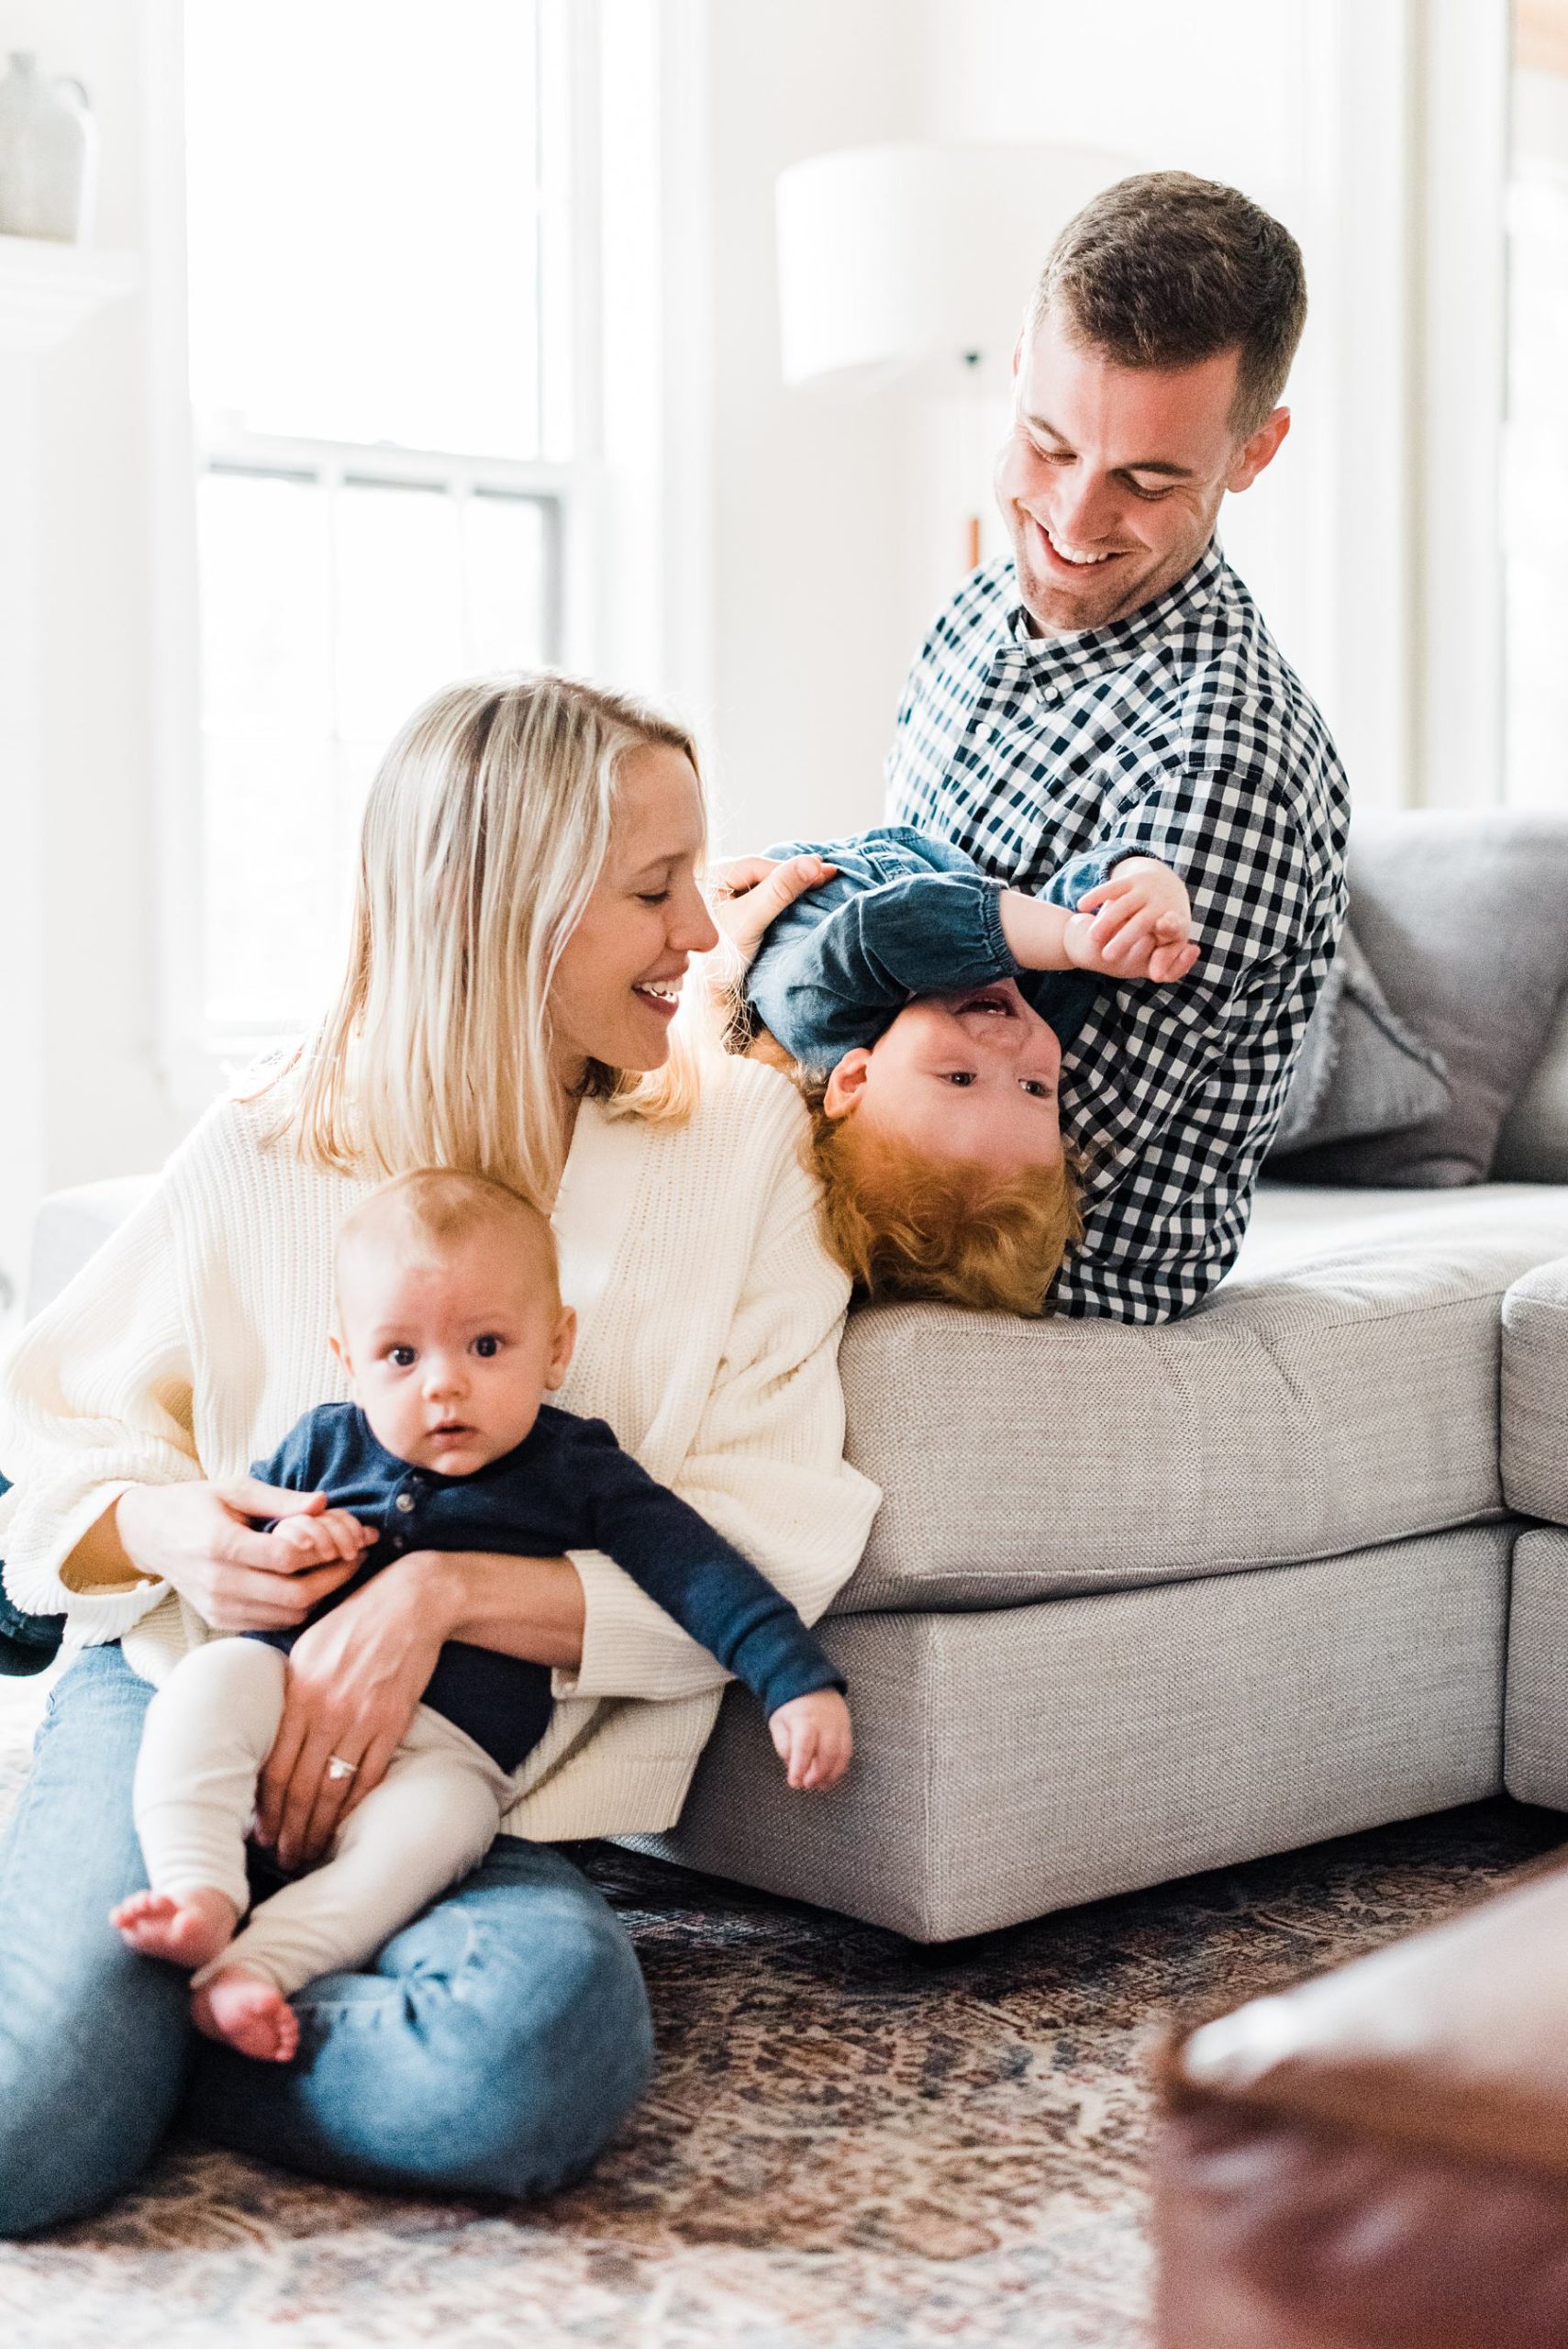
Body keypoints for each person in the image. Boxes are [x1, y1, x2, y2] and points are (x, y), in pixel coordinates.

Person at [0, 672, 880, 2233]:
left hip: (463, 1778)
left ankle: (167, 2017)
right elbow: (47, 1424)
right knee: (23, 2134)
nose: (701, 932)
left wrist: (444, 1597)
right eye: (650, 888)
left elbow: (770, 1524)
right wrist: (167, 1531)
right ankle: (133, 2012)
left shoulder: (739, 1143)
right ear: (498, 905)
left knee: (527, 2061)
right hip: (187, 1698)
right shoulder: (269, 1137)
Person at [111, 1168, 853, 2065]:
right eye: (401, 1356)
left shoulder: (575, 1466)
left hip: (446, 1757)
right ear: (347, 1357)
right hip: (286, 1708)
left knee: (442, 1831)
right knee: (209, 1683)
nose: (443, 1387)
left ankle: (259, 1969)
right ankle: (199, 1891)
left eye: (486, 1345)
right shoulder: (322, 1443)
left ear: (556, 1347)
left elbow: (696, 1569)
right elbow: (249, 1553)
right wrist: (292, 1548)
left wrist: (794, 1679)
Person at [887, 170, 1351, 1324]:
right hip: (891, 1186)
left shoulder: (1224, 754)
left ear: (1254, 452)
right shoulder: (970, 616)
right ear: (1015, 371)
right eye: (1046, 447)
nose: (1074, 522)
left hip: (1035, 1280)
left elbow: (1021, 1156)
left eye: (1146, 480)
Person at [710, 826, 1197, 1311]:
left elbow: (889, 927)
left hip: (825, 872)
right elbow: (1080, 917)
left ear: (856, 1078)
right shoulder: (1021, 1021)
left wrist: (1067, 939)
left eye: (961, 1078)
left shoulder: (814, 1013)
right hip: (944, 862)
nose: (1007, 1046)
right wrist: (1137, 888)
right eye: (1035, 1088)